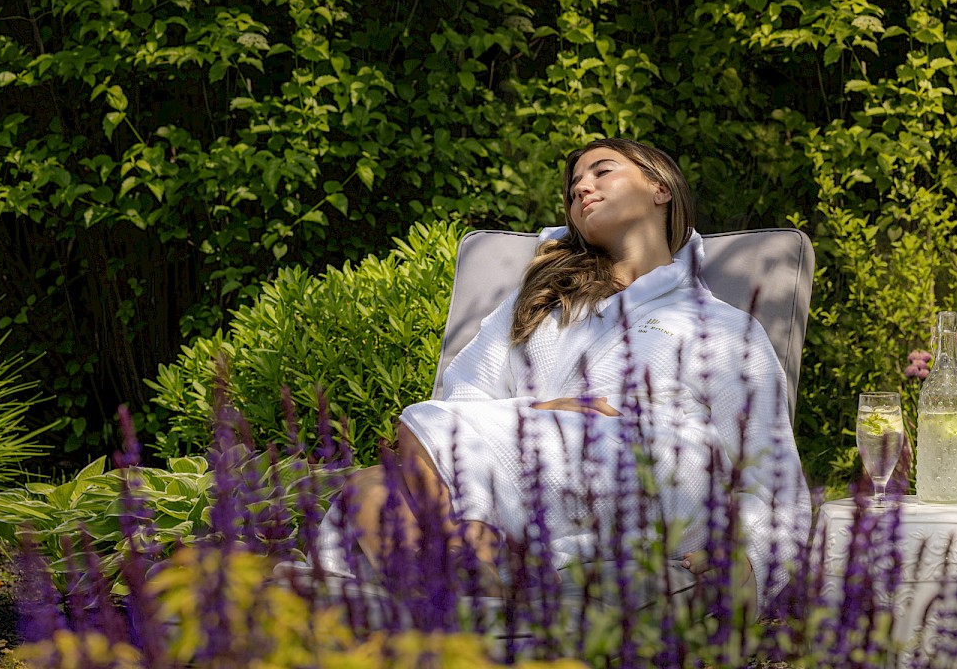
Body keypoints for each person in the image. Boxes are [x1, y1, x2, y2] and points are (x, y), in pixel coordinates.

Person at [320, 138, 810, 614]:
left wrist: (752, 559)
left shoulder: (722, 327)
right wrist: (542, 412)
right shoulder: (538, 307)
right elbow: (464, 398)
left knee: (419, 424)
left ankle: (466, 558)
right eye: (574, 184)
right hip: (532, 494)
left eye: (602, 171)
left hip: (657, 478)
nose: (581, 188)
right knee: (369, 487)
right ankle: (484, 594)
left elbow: (773, 476)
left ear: (661, 188)